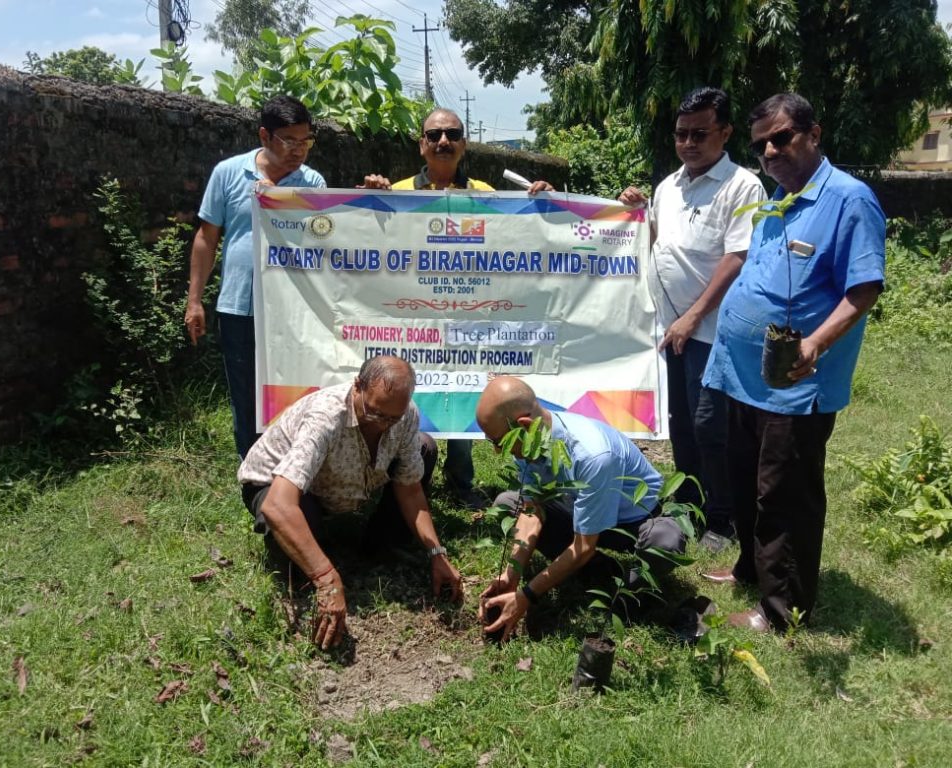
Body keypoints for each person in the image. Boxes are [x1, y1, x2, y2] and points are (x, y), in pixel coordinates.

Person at [701, 93, 886, 633]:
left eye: (782, 137)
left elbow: (864, 289)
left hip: (795, 382)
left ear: (814, 133)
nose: (771, 151)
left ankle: (783, 609)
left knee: (784, 493)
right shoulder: (778, 200)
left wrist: (814, 345)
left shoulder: (849, 201)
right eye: (761, 145)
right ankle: (750, 571)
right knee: (743, 482)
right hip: (742, 375)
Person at [361, 107, 555, 510]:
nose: (443, 141)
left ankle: (461, 481)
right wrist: (370, 196)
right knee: (413, 396)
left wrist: (542, 206)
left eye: (452, 134)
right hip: (414, 323)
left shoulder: (486, 195)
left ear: (464, 143)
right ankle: (410, 480)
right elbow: (362, 237)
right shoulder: (395, 193)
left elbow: (519, 236)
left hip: (471, 318)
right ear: (422, 145)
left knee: (465, 393)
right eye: (434, 135)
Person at [620, 87, 765, 552]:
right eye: (681, 134)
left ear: (724, 132)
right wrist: (633, 213)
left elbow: (738, 257)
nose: (688, 142)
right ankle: (689, 504)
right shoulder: (668, 186)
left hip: (712, 331)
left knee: (710, 425)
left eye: (699, 133)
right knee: (679, 421)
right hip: (670, 331)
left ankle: (723, 519)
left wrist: (694, 316)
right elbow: (660, 241)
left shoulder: (742, 186)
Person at [238, 355, 464, 649]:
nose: (382, 425)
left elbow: (410, 489)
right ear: (357, 386)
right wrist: (326, 578)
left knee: (424, 448)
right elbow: (278, 504)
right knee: (296, 565)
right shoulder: (326, 417)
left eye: (391, 418)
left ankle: (380, 545)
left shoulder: (406, 415)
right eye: (374, 413)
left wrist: (436, 552)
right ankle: (315, 553)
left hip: (337, 485)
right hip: (278, 487)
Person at [474, 376, 687, 642]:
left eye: (498, 441)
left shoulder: (593, 454)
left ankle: (626, 593)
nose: (496, 451)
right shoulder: (529, 443)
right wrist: (512, 574)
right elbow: (532, 512)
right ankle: (598, 569)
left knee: (665, 542)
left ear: (524, 426)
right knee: (507, 503)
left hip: (633, 521)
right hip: (582, 510)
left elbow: (584, 544)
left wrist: (527, 596)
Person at [185, 94, 327, 461]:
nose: (298, 150)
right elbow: (206, 237)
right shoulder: (229, 173)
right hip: (240, 306)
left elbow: (327, 241)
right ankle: (251, 470)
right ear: (265, 136)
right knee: (244, 393)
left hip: (292, 309)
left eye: (305, 141)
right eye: (289, 141)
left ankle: (292, 465)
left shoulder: (313, 182)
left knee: (293, 389)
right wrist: (194, 300)